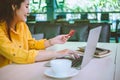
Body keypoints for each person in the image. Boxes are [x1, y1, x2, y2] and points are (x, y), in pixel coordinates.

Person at [0, 0, 76, 68]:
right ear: (14, 6)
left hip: (19, 68)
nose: (28, 12)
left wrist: (52, 41)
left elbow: (31, 44)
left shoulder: (22, 25)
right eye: (26, 6)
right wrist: (59, 53)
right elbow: (17, 54)